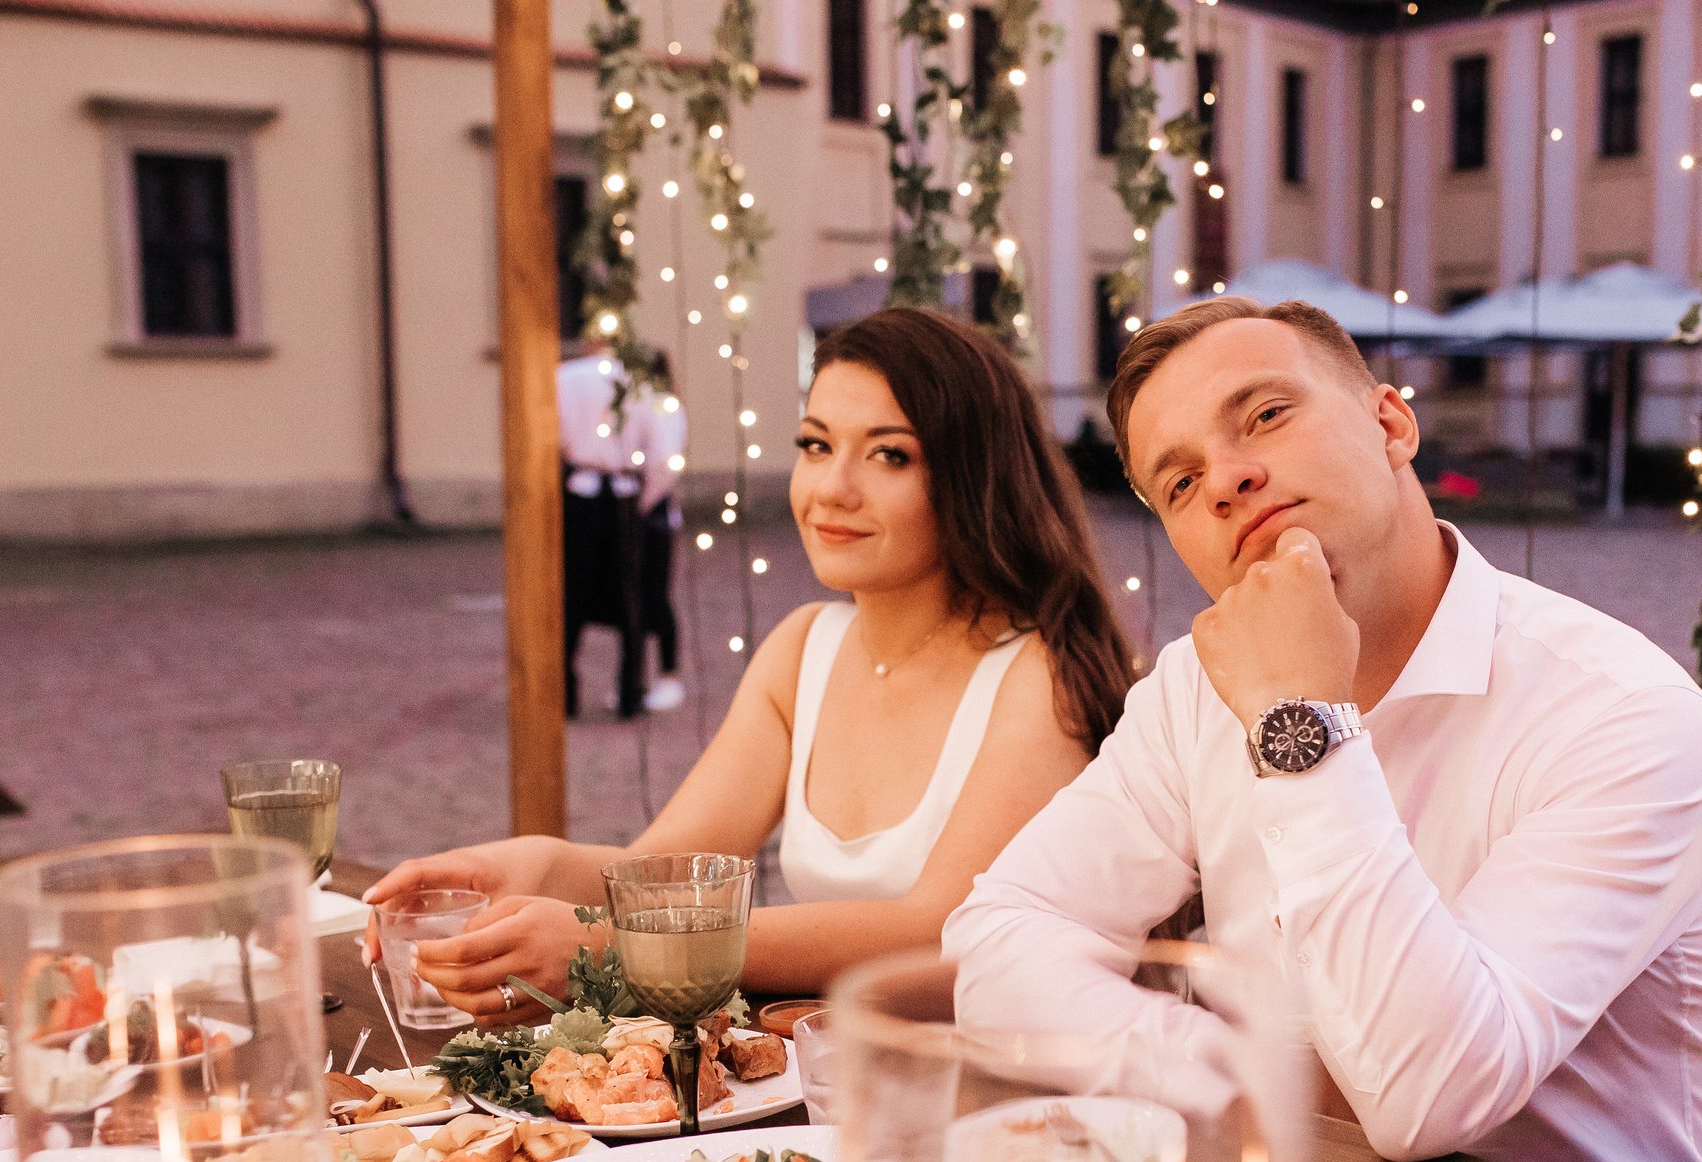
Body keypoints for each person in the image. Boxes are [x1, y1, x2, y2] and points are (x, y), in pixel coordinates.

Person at [943, 297, 1702, 1162]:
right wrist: (1231, 1078)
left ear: (1391, 423)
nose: (1225, 480)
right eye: (1180, 483)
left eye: (1265, 415)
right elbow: (998, 940)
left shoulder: (1621, 711)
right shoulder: (1195, 686)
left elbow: (1428, 1096)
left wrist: (1298, 718)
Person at [366, 307, 1138, 1007]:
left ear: (976, 477)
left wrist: (625, 946)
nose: (832, 487)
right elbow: (662, 873)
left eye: (889, 455)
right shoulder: (804, 649)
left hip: (1000, 1083)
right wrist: (526, 867)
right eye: (816, 445)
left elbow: (938, 929)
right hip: (826, 1071)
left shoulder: (1039, 674)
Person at [555, 342, 648, 719]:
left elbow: (554, 433)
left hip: (582, 491)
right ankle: (631, 691)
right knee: (630, 593)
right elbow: (656, 445)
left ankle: (563, 691)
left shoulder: (564, 377)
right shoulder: (636, 380)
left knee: (571, 591)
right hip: (623, 493)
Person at [634, 384, 688, 713]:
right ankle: (634, 680)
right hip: (633, 507)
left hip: (653, 514)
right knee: (632, 599)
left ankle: (668, 675)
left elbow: (666, 465)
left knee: (654, 594)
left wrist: (641, 504)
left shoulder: (663, 406)